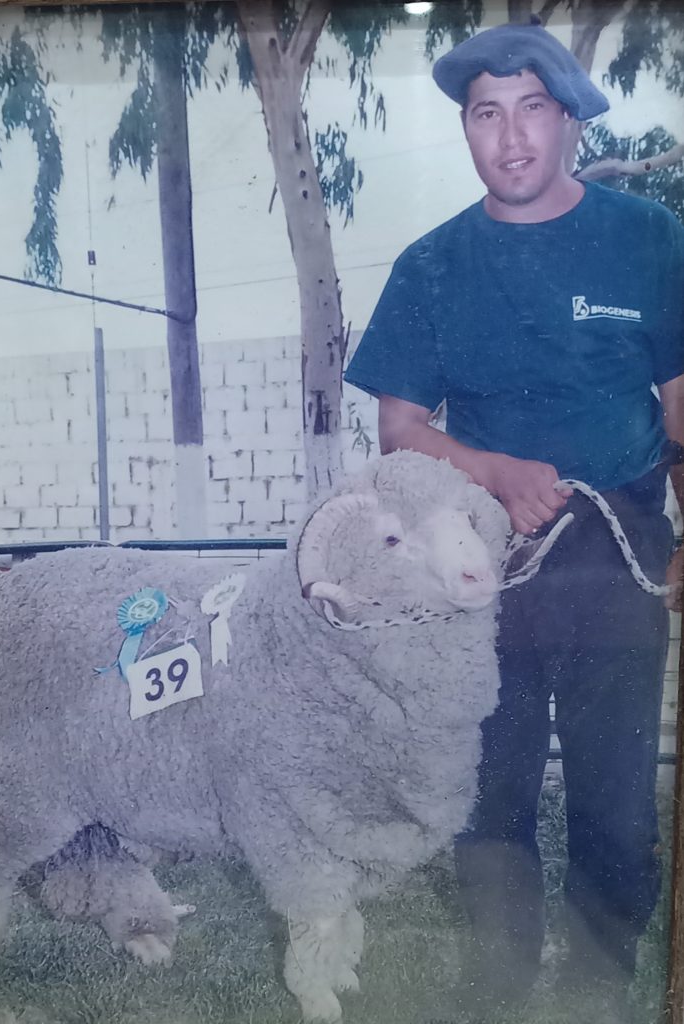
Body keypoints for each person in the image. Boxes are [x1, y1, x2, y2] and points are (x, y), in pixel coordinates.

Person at [344, 17, 684, 1023]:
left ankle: (593, 987)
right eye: (484, 114)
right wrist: (490, 468)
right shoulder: (433, 264)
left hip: (616, 559)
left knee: (616, 806)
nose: (509, 137)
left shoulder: (646, 238)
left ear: (570, 119)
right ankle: (492, 987)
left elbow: (678, 402)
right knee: (486, 799)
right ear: (465, 129)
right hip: (483, 567)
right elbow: (399, 427)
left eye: (531, 109)